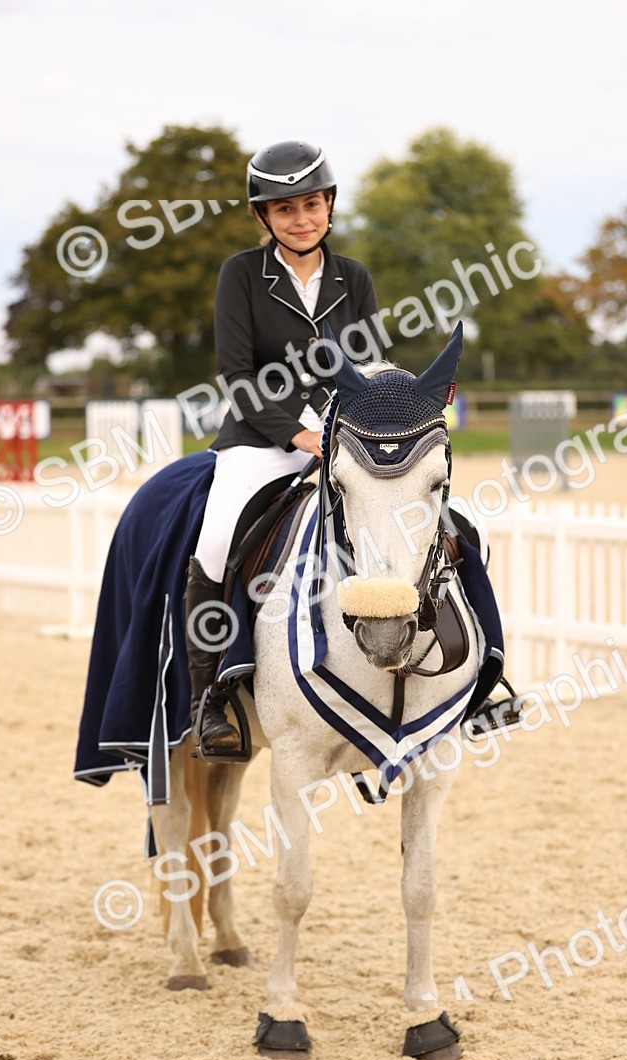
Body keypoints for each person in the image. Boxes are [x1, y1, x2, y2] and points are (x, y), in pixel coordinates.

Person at [186, 140, 379, 757]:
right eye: (286, 209)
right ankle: (208, 700)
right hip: (263, 439)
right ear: (263, 217)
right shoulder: (241, 274)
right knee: (216, 540)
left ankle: (472, 676)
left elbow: (369, 366)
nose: (302, 219)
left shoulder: (354, 278)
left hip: (341, 437)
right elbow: (237, 376)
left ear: (329, 206)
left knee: (424, 521)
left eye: (312, 205)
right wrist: (298, 434)